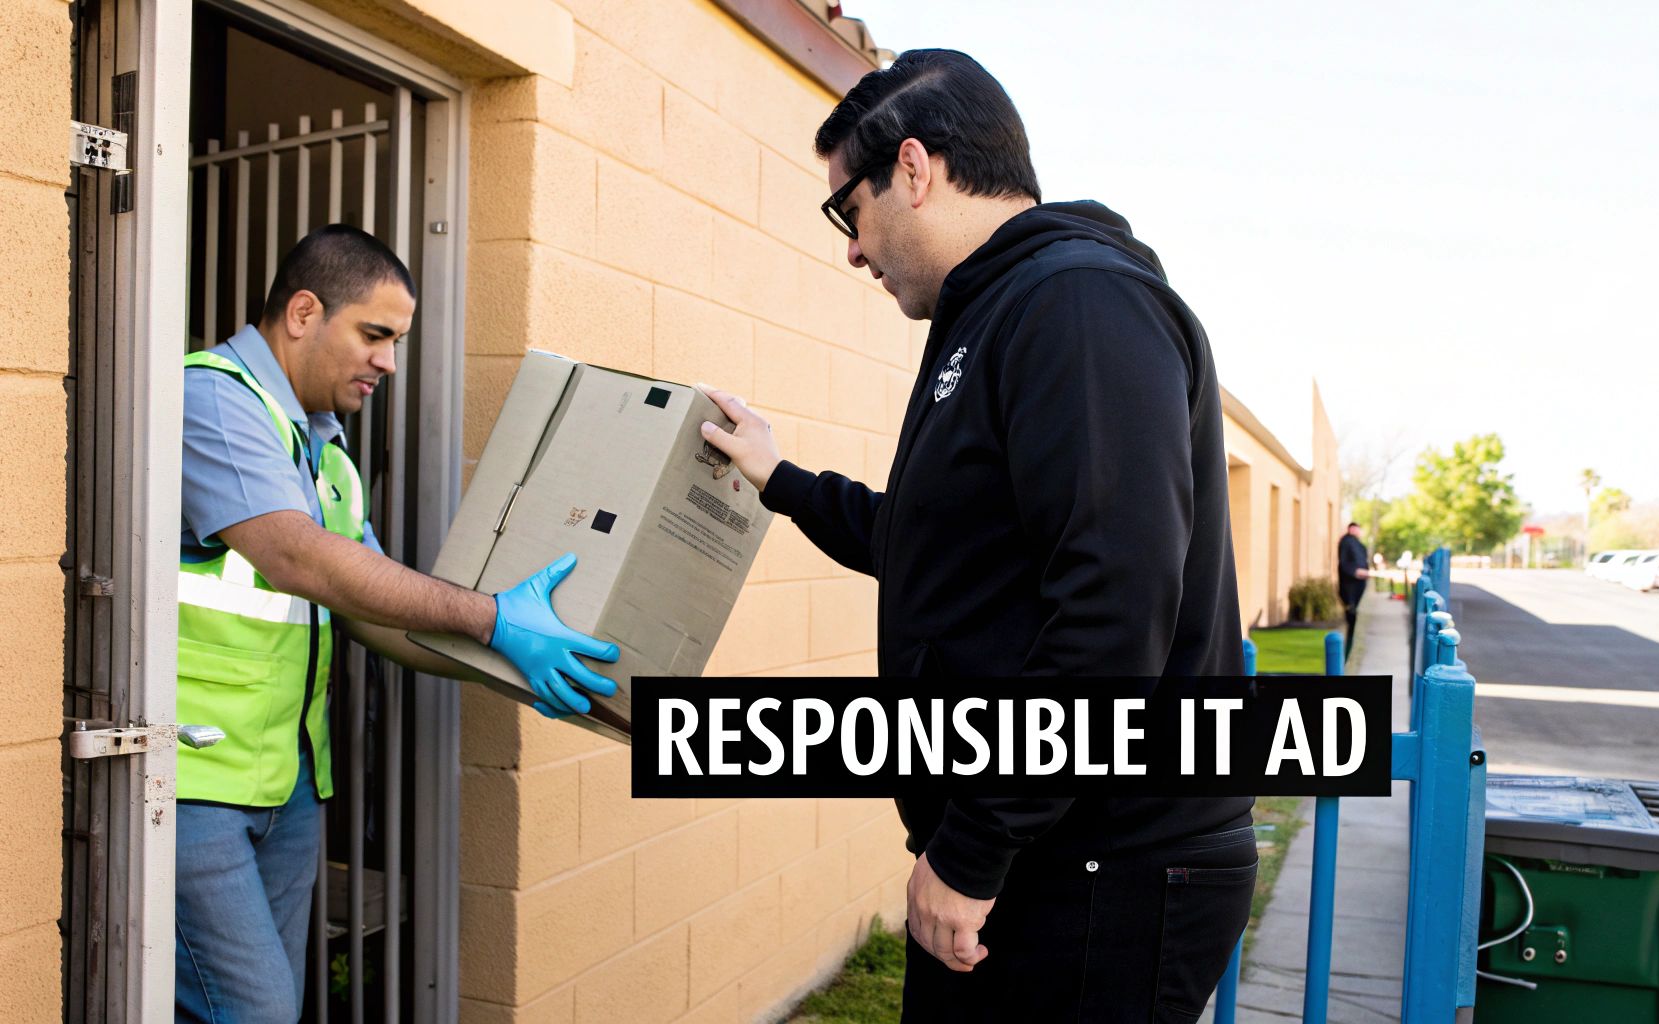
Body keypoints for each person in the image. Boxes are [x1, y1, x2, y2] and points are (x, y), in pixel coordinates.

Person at [699, 49, 1251, 1023]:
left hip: (1097, 863)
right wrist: (779, 478)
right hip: (1033, 849)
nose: (852, 251)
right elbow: (933, 551)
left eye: (847, 210)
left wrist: (973, 846)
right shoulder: (993, 314)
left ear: (914, 169)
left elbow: (1114, 606)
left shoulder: (1078, 304)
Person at [176, 225, 618, 1022]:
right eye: (374, 334)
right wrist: (490, 618)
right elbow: (297, 558)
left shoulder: (328, 456)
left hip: (288, 786)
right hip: (192, 783)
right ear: (303, 313)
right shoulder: (210, 397)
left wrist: (515, 659)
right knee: (255, 1011)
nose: (388, 361)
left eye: (397, 342)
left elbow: (371, 611)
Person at [1338, 522, 1371, 657]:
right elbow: (1343, 563)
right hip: (1350, 584)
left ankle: (1350, 642)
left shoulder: (1357, 543)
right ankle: (1348, 647)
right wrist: (1355, 571)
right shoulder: (1346, 542)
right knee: (1350, 612)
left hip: (1359, 583)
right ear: (1351, 529)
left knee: (1354, 612)